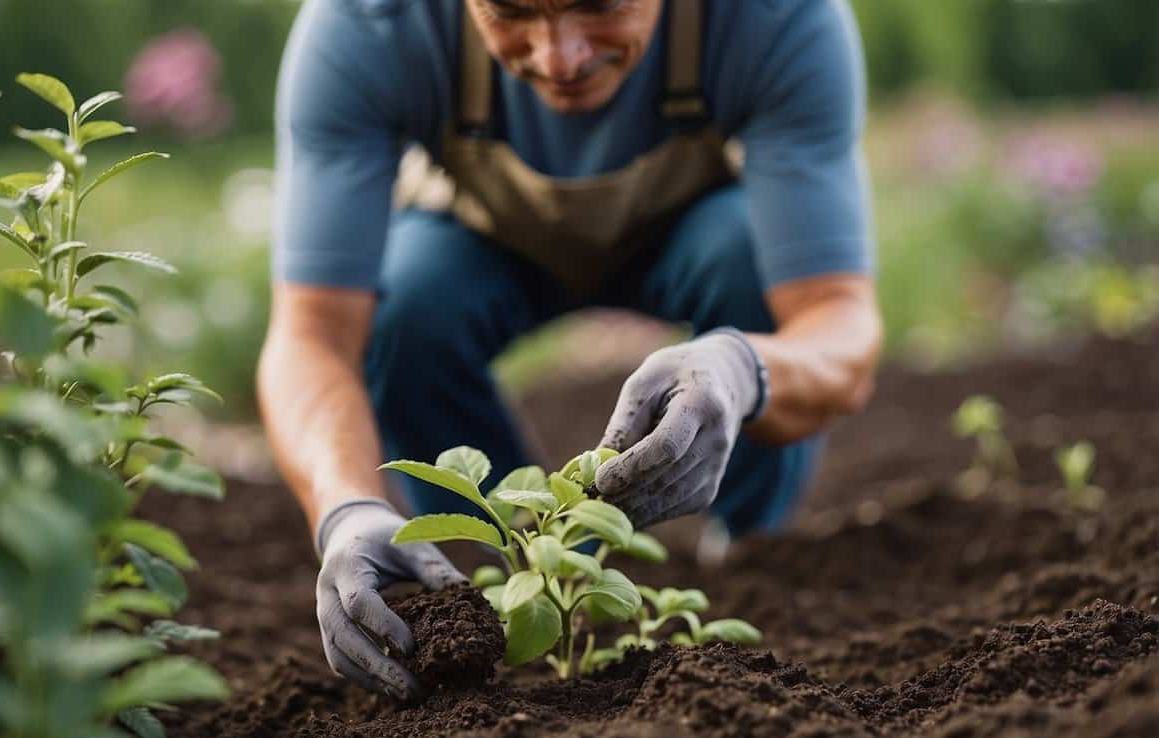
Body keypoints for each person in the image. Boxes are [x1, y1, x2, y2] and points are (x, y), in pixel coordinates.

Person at [258, 0, 883, 701]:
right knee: (405, 306)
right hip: (483, 248)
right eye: (511, 13)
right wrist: (346, 507)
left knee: (752, 268)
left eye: (599, 4)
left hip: (695, 241)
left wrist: (742, 370)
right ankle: (514, 579)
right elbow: (310, 335)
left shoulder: (775, 17)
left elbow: (838, 325)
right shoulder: (371, 23)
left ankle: (748, 558)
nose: (560, 59)